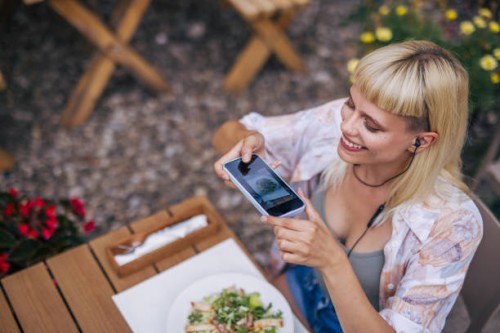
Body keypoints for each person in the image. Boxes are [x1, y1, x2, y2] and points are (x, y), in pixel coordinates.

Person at [213, 40, 483, 333]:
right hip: (295, 287)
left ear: (421, 141)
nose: (346, 126)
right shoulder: (338, 125)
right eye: (351, 104)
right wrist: (248, 142)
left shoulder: (454, 223)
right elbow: (226, 132)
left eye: (372, 126)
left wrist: (332, 262)